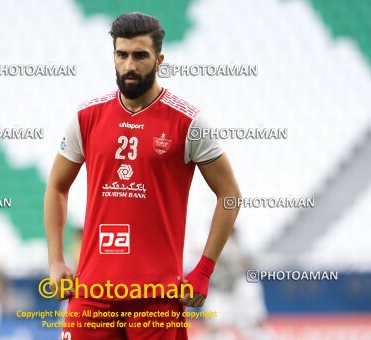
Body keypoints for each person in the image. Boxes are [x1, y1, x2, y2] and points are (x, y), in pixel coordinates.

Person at [44, 12, 241, 339]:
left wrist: (204, 270)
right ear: (114, 56)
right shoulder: (86, 118)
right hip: (91, 296)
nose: (129, 66)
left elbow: (230, 194)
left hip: (157, 302)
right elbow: (56, 187)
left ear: (159, 59)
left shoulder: (188, 123)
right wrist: (56, 261)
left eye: (140, 56)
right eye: (122, 55)